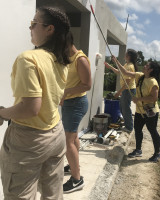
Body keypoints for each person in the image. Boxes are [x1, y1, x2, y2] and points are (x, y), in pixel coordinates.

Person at [0, 7, 71, 199]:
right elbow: (58, 98)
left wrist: (2, 113)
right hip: (56, 132)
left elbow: (31, 108)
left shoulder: (28, 58)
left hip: (28, 140)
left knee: (19, 194)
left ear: (49, 29)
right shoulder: (61, 61)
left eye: (34, 23)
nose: (30, 28)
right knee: (53, 193)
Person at [113, 59, 160, 162]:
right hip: (140, 111)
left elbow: (154, 98)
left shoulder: (153, 82)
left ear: (150, 70)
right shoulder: (140, 76)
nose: (144, 66)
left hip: (150, 111)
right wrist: (116, 61)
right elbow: (126, 73)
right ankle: (138, 150)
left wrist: (139, 99)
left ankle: (157, 153)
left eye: (146, 65)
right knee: (137, 129)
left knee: (152, 131)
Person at [60, 33, 91, 193]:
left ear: (66, 42)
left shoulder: (81, 59)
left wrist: (66, 92)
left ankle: (76, 180)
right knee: (73, 137)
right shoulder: (69, 58)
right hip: (70, 102)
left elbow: (87, 85)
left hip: (77, 103)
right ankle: (73, 166)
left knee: (68, 141)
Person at [105, 49, 138, 133]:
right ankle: (127, 123)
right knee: (122, 107)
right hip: (126, 89)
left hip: (128, 89)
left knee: (125, 108)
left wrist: (119, 92)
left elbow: (127, 82)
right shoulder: (127, 64)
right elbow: (118, 72)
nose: (124, 55)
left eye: (126, 54)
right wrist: (110, 66)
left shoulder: (130, 66)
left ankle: (129, 127)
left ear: (129, 56)